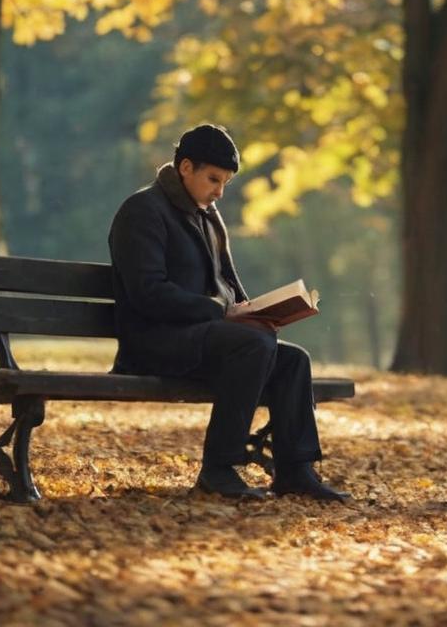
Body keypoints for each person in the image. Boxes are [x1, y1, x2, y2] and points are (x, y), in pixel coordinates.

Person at [108, 124, 347, 501]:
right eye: (213, 179)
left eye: (226, 183)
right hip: (155, 342)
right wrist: (221, 313)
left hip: (209, 339)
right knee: (250, 346)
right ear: (185, 167)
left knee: (293, 361)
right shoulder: (143, 211)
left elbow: (229, 284)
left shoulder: (208, 215)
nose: (219, 191)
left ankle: (295, 471)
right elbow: (147, 293)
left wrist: (261, 314)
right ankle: (218, 468)